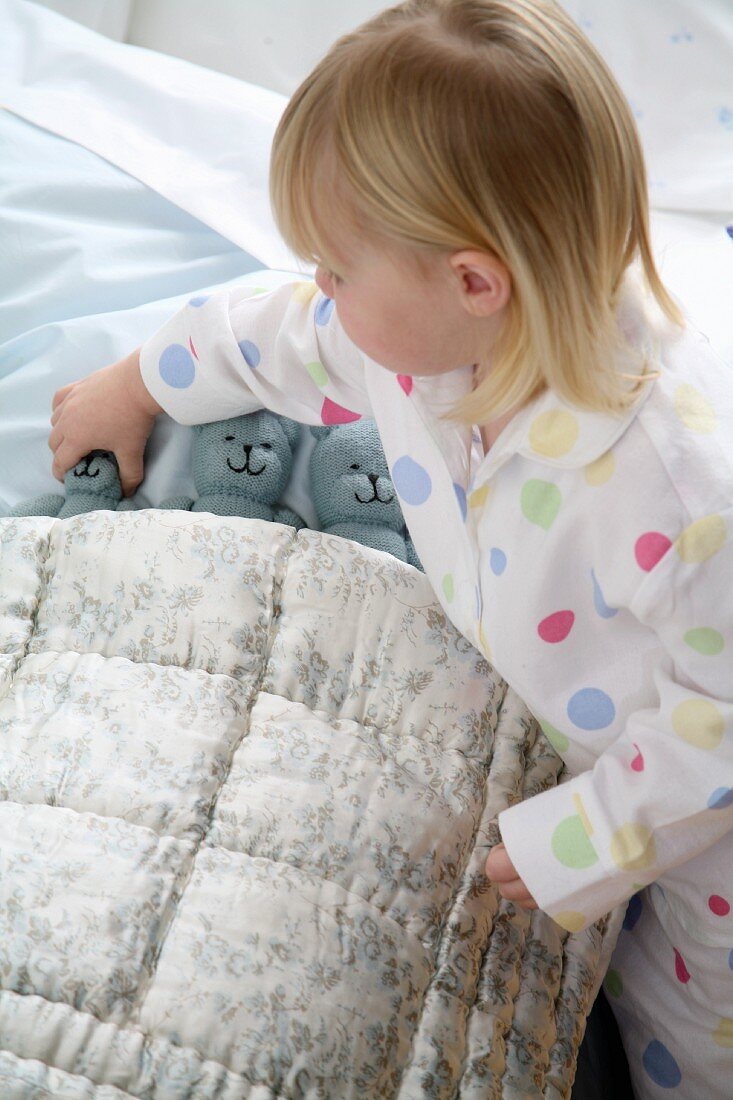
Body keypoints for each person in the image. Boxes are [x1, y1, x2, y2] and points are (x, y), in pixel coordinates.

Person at [47, 1, 732, 1095]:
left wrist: (591, 837)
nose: (319, 287)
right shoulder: (425, 348)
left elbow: (720, 722)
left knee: (687, 1030)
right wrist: (132, 382)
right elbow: (266, 335)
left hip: (705, 841)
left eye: (336, 267)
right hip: (594, 740)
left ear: (472, 280)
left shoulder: (681, 486)